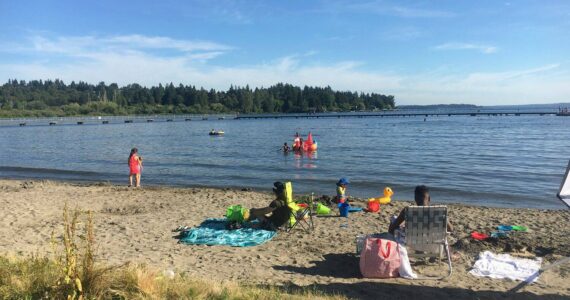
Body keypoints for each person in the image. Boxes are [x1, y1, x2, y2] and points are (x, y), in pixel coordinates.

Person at [388, 185, 453, 234]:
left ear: (415, 199)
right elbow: (450, 229)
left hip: (413, 242)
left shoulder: (407, 211)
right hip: (433, 242)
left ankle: (389, 241)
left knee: (393, 219)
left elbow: (394, 227)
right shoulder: (439, 211)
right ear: (429, 199)